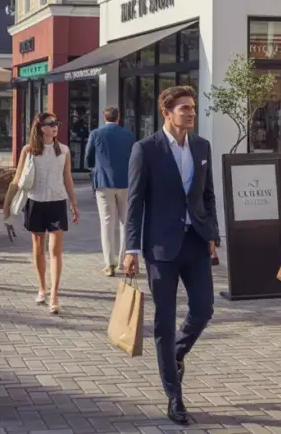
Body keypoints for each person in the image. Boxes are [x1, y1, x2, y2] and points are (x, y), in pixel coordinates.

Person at [123, 86, 218, 426]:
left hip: (195, 242)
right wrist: (131, 248)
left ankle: (176, 354)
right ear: (167, 112)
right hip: (160, 248)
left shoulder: (202, 146)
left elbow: (208, 196)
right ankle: (174, 396)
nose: (191, 113)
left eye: (192, 107)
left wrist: (213, 236)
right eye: (184, 108)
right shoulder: (145, 149)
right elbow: (134, 202)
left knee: (204, 309)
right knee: (163, 321)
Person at [13, 112, 79, 315]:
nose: (55, 126)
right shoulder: (28, 150)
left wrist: (74, 203)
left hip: (57, 202)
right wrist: (8, 204)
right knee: (38, 248)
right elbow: (18, 179)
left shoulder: (64, 150)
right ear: (41, 127)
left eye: (57, 123)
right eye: (51, 124)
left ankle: (55, 294)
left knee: (55, 250)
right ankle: (42, 287)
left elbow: (67, 178)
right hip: (35, 202)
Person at [85, 107, 136, 276]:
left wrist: (95, 166)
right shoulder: (129, 135)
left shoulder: (96, 134)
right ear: (119, 117)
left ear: (103, 117)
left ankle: (110, 264)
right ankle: (124, 261)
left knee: (107, 223)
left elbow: (88, 158)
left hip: (103, 182)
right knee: (125, 222)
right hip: (125, 181)